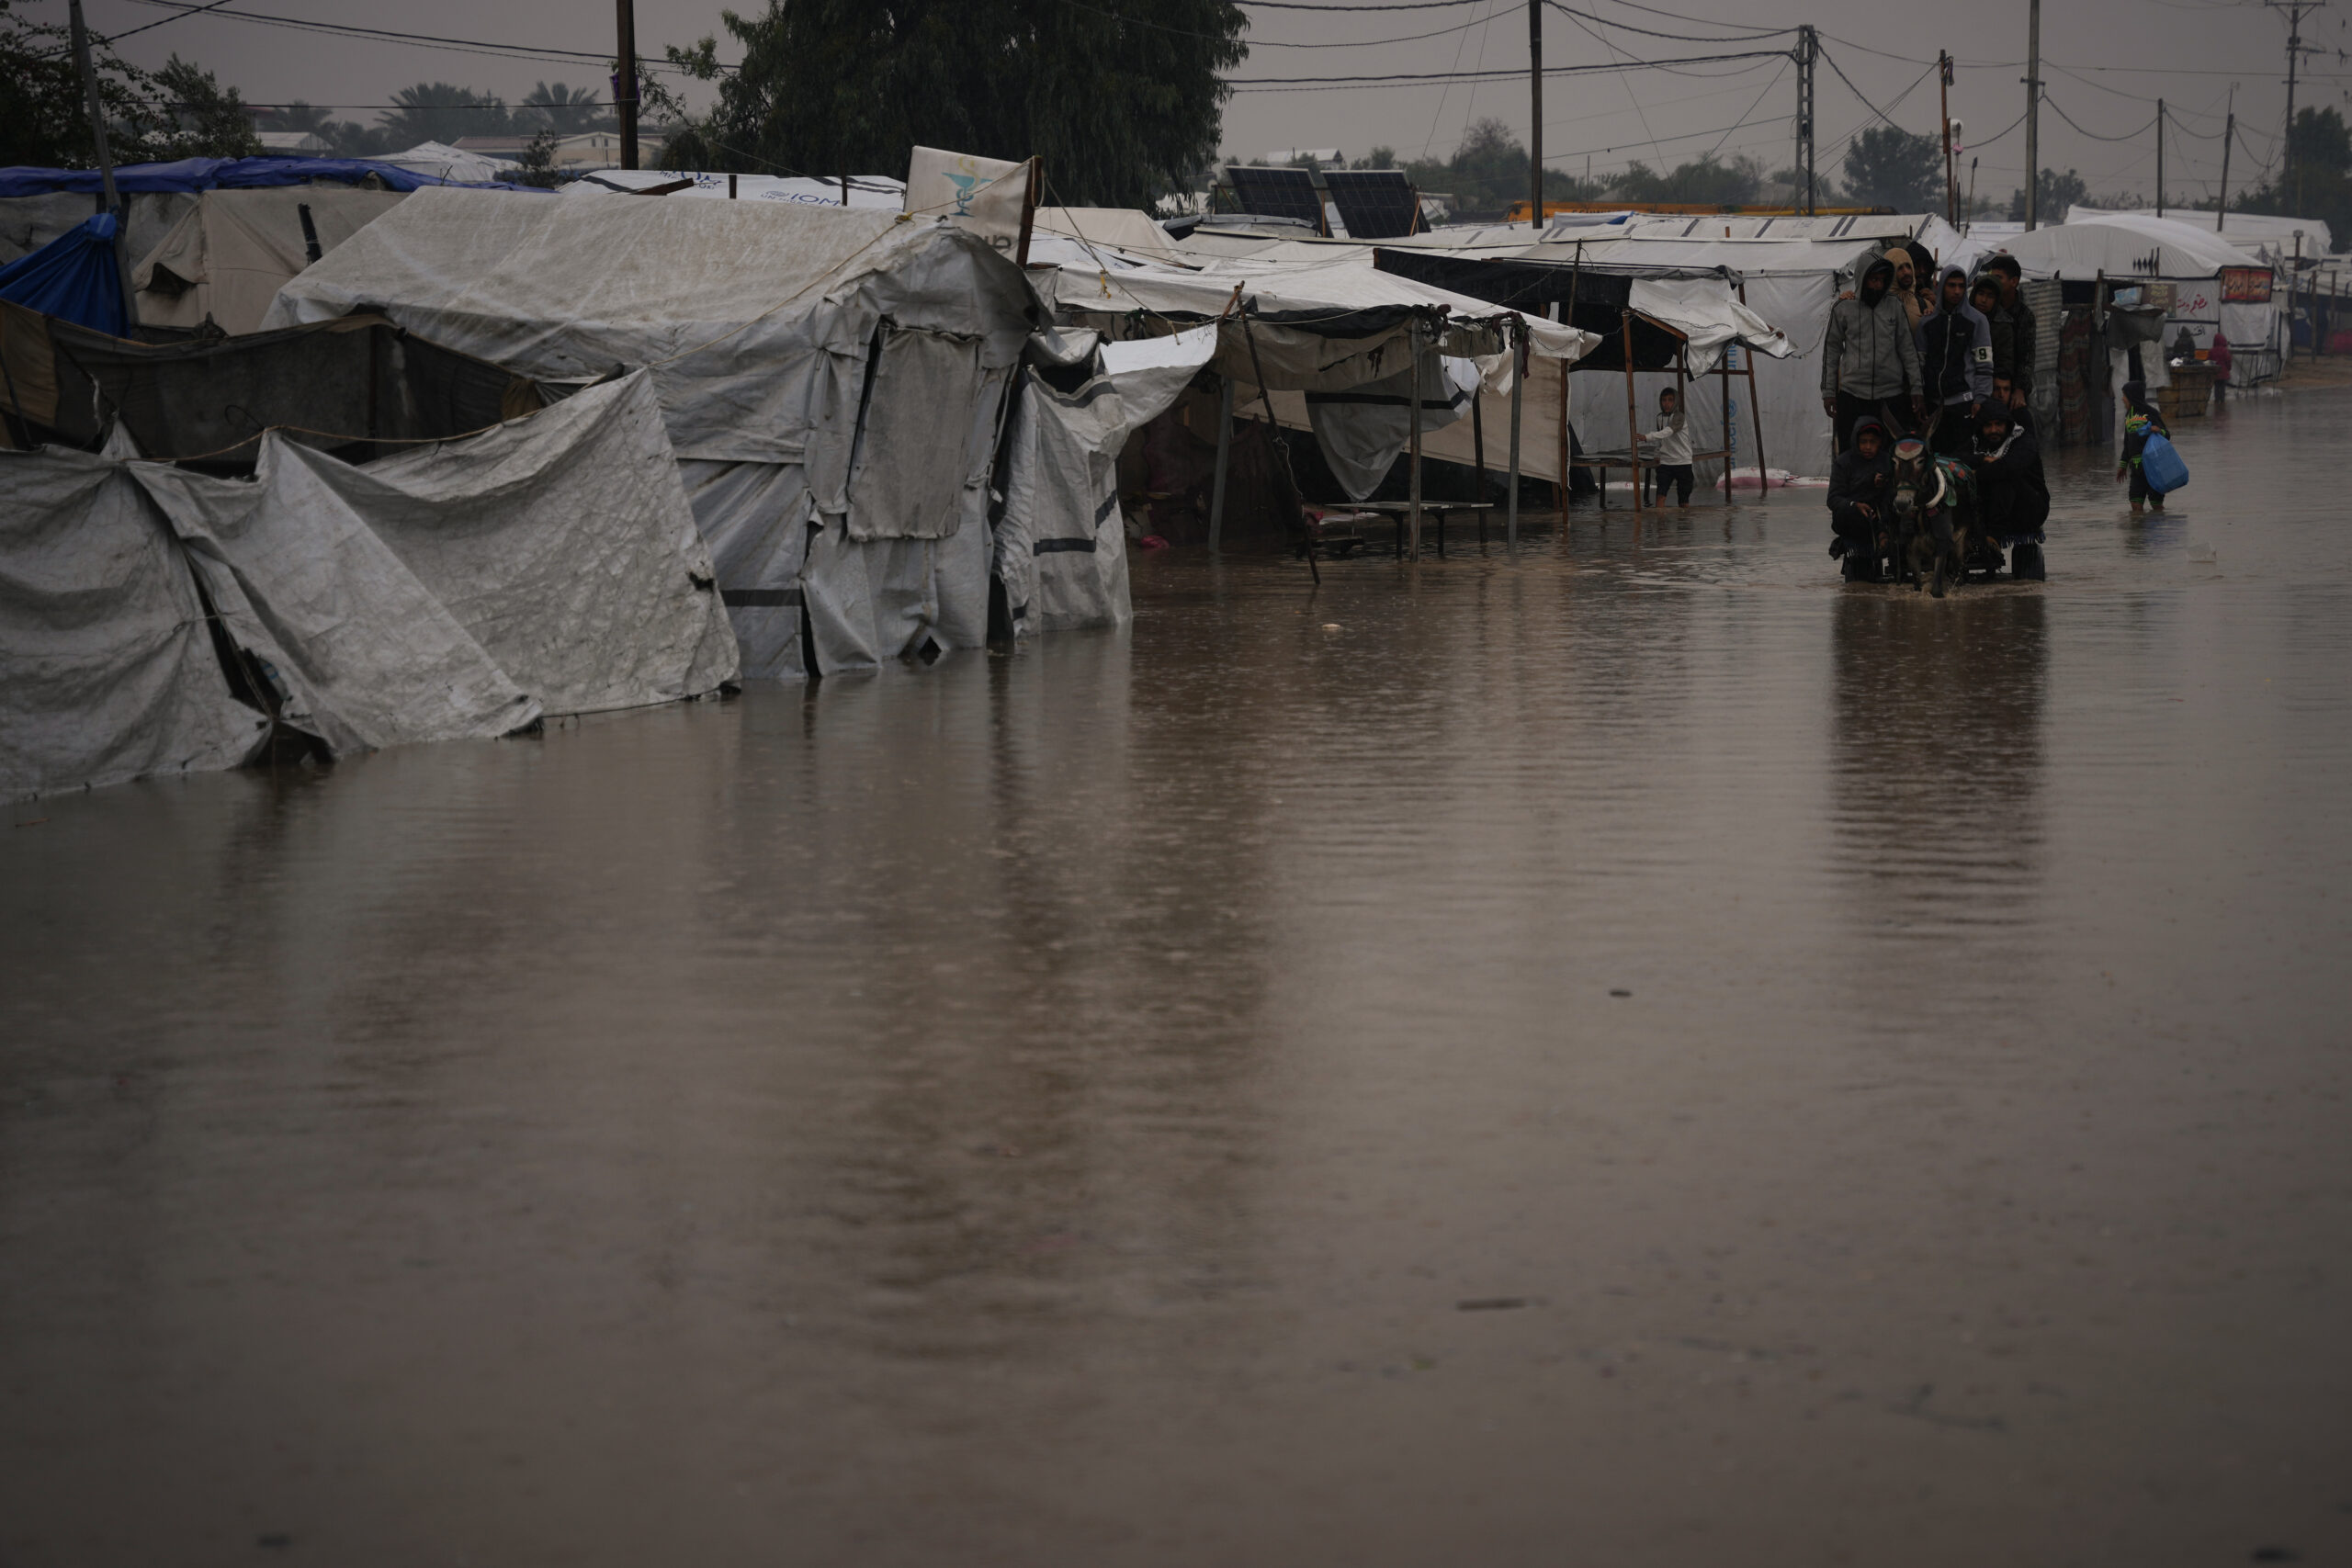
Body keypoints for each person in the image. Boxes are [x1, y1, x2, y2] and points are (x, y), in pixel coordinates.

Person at [1822, 250, 1924, 451]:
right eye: (1873, 279)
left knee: (1892, 454)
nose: (1877, 285)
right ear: (1862, 278)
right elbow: (1832, 351)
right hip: (1853, 394)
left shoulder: (1894, 306)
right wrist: (1828, 392)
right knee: (1849, 453)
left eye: (1881, 280)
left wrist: (1916, 388)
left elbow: (1907, 351)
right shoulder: (1843, 308)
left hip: (1891, 395)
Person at [1917, 265, 1992, 459]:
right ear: (1942, 287)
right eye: (1951, 285)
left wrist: (1981, 398)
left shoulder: (1977, 321)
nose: (1957, 291)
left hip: (1963, 405)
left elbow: (1984, 364)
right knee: (1935, 462)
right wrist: (1918, 396)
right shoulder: (1927, 322)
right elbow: (1919, 363)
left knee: (1962, 463)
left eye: (1961, 286)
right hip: (1933, 406)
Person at [1973, 400, 2049, 578]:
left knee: (2005, 479)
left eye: (1998, 424)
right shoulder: (1975, 441)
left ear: (2007, 425)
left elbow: (2008, 467)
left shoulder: (2024, 441)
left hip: (2027, 508)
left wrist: (1974, 473)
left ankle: (1993, 538)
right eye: (1988, 426)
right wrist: (1982, 460)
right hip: (1986, 507)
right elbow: (1956, 459)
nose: (1993, 430)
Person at [1826, 415, 1894, 580]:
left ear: (1880, 442)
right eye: (1863, 442)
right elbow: (1833, 499)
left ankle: (1885, 539)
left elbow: (1895, 492)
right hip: (1853, 521)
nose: (1868, 447)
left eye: (1873, 442)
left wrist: (1885, 485)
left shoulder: (1888, 461)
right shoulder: (1843, 462)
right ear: (1856, 442)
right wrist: (1855, 505)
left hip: (1881, 518)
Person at [1984, 255, 2037, 411]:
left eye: (1998, 278)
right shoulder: (1986, 308)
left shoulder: (2024, 315)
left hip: (2011, 389)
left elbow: (2027, 356)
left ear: (2014, 282)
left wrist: (2019, 390)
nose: (1994, 282)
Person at [2117, 379, 2171, 514]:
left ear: (2132, 396)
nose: (2122, 399)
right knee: (2135, 504)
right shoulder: (2128, 416)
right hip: (2137, 469)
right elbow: (2127, 444)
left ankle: (2160, 531)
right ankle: (2139, 534)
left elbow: (2167, 435)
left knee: (2156, 505)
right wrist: (2122, 465)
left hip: (2154, 467)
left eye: (2124, 396)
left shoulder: (2151, 413)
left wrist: (2158, 430)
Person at [1639, 386, 1695, 506]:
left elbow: (1668, 431)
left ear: (1675, 402)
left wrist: (1647, 437)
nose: (1667, 403)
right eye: (1664, 400)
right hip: (1666, 463)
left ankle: (1684, 523)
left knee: (1683, 500)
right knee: (1660, 495)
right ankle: (1661, 524)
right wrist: (1657, 454)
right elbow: (1661, 438)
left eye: (1670, 400)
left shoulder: (1679, 417)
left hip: (1682, 462)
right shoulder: (1659, 417)